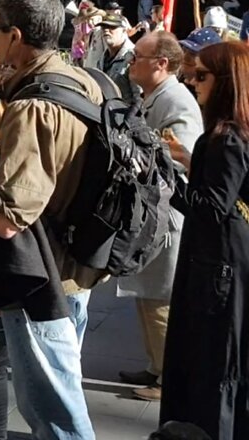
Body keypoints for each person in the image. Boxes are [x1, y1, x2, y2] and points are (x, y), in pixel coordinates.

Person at [0, 0, 106, 440]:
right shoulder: (82, 79)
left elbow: (8, 217)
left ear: (16, 36)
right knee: (64, 385)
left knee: (53, 410)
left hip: (39, 276)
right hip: (79, 263)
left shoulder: (32, 106)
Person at [160, 42, 249, 439]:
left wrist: (165, 183)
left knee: (213, 363)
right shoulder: (234, 133)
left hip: (218, 266)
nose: (192, 82)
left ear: (226, 83)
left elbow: (213, 208)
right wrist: (188, 164)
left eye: (201, 76)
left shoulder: (227, 137)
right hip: (227, 261)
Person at [117, 31, 203, 403]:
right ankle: (156, 365)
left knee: (160, 298)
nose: (131, 61)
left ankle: (169, 377)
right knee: (147, 295)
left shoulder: (176, 100)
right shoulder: (154, 95)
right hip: (151, 214)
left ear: (161, 64)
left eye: (138, 56)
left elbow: (181, 156)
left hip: (166, 218)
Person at [97, 13, 139, 102]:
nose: (106, 30)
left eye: (112, 27)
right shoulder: (102, 58)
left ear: (124, 31)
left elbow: (139, 97)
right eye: (103, 27)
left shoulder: (134, 56)